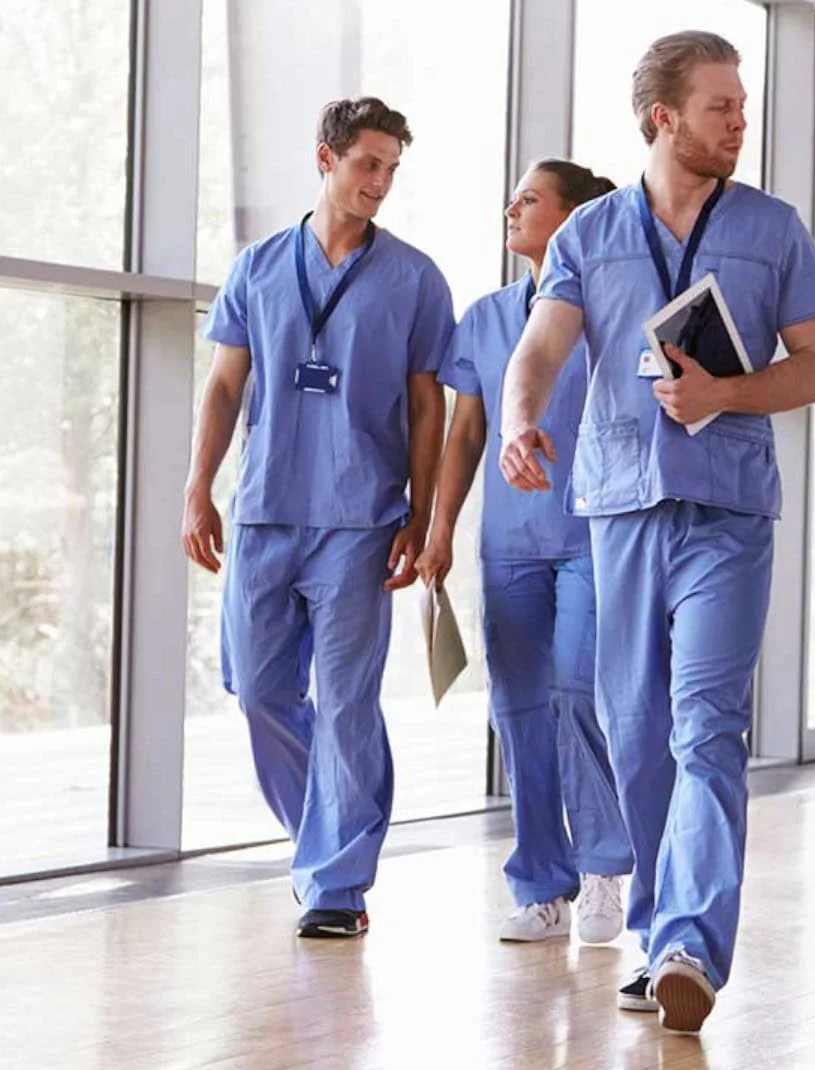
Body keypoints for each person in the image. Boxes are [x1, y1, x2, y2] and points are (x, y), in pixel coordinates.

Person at [498, 31, 815, 1034]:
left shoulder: (773, 229)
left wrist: (727, 391)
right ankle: (656, 932)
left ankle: (691, 935)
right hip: (620, 508)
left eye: (741, 105)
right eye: (722, 106)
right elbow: (540, 349)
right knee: (639, 731)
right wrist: (522, 419)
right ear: (664, 117)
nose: (741, 121)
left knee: (704, 725)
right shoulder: (590, 234)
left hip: (728, 513)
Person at [182, 97, 454, 940]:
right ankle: (321, 840)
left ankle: (337, 882)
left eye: (391, 170)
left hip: (361, 518)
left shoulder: (414, 278)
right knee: (260, 690)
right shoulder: (259, 267)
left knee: (345, 703)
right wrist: (199, 488)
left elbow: (425, 404)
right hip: (266, 511)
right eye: (368, 164)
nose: (380, 183)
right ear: (325, 159)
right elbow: (227, 385)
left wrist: (421, 510)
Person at [416, 159, 633, 946]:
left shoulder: (611, 312)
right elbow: (466, 431)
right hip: (508, 545)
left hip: (592, 535)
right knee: (518, 713)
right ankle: (544, 882)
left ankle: (607, 865)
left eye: (531, 198)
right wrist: (439, 530)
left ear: (576, 219)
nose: (512, 205)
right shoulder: (484, 317)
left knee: (577, 693)